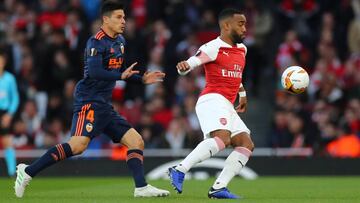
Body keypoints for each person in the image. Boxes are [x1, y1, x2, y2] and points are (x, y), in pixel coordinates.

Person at [15, 1, 169, 198]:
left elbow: (117, 71)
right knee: (78, 146)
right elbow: (96, 72)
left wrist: (141, 79)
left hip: (104, 104)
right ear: (106, 19)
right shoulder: (95, 42)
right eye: (119, 17)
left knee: (136, 141)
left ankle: (141, 187)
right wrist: (120, 77)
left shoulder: (120, 41)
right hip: (89, 100)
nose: (124, 21)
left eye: (124, 17)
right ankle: (27, 172)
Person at [168, 8, 255, 199]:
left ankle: (218, 187)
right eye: (240, 24)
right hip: (212, 99)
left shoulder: (242, 49)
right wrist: (185, 67)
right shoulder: (213, 47)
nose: (245, 28)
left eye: (245, 24)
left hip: (227, 104)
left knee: (245, 144)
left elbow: (235, 75)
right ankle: (180, 169)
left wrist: (242, 94)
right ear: (226, 25)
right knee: (222, 139)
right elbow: (193, 61)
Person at [0, 50, 20, 176]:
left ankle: (12, 172)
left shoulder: (9, 78)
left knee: (7, 142)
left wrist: (10, 114)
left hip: (4, 113)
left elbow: (15, 98)